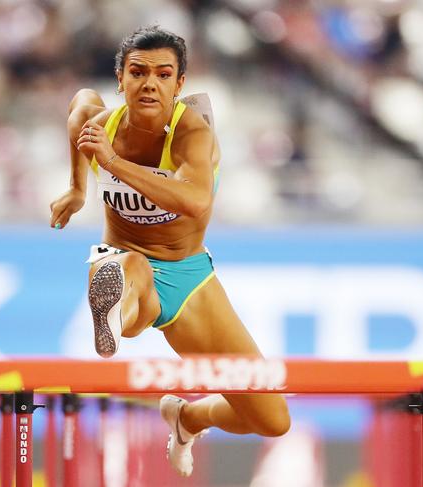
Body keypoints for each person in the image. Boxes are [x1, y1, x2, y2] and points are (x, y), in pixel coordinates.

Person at [49, 26, 291, 477]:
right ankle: (119, 312)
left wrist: (114, 163)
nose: (149, 84)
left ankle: (186, 417)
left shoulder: (191, 132)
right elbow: (77, 112)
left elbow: (196, 200)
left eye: (163, 74)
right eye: (138, 73)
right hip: (120, 256)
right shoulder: (98, 121)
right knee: (132, 273)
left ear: (179, 85)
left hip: (189, 274)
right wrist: (77, 189)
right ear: (120, 79)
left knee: (272, 420)